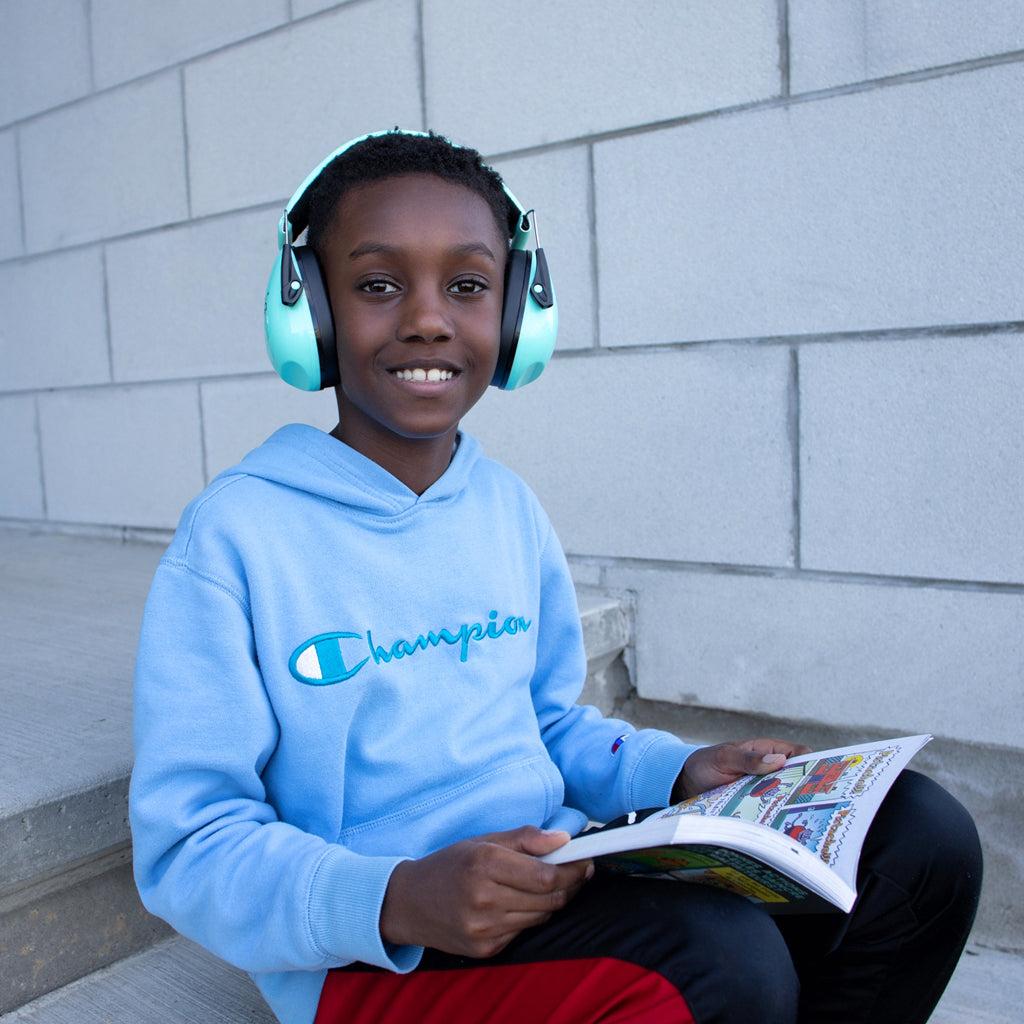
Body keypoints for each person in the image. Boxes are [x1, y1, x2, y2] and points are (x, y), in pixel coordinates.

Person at [129, 130, 982, 1024]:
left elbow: (544, 723)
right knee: (718, 966)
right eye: (378, 285)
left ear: (517, 315)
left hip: (552, 871)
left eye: (467, 285)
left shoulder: (506, 507)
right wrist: (397, 896)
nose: (428, 318)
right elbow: (190, 846)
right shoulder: (237, 536)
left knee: (920, 838)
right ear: (310, 310)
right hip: (376, 954)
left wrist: (680, 770)